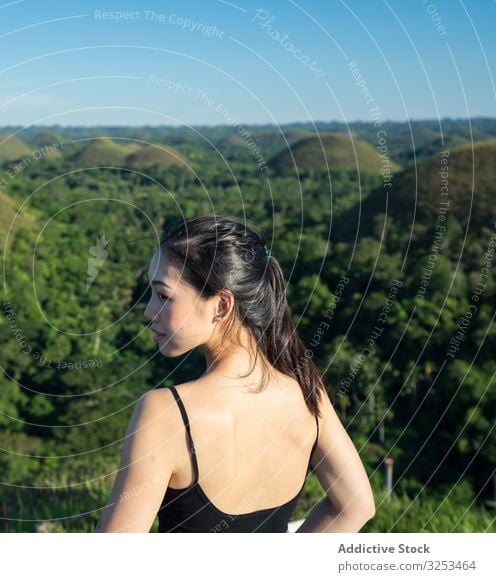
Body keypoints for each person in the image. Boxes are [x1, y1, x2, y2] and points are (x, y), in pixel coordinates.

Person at [95, 215, 375, 533]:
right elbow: (356, 505)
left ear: (221, 305)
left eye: (163, 295)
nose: (148, 311)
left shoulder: (166, 413)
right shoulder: (307, 393)